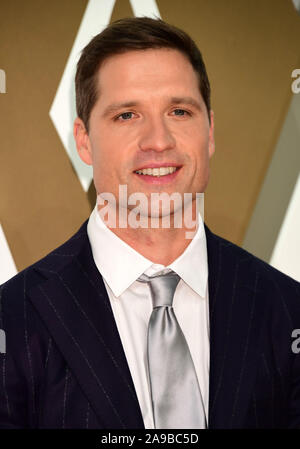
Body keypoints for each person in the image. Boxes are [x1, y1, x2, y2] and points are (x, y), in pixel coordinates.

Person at [0, 17, 300, 430]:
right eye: (126, 115)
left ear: (209, 132)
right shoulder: (12, 321)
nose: (158, 140)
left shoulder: (287, 310)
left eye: (179, 111)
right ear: (83, 140)